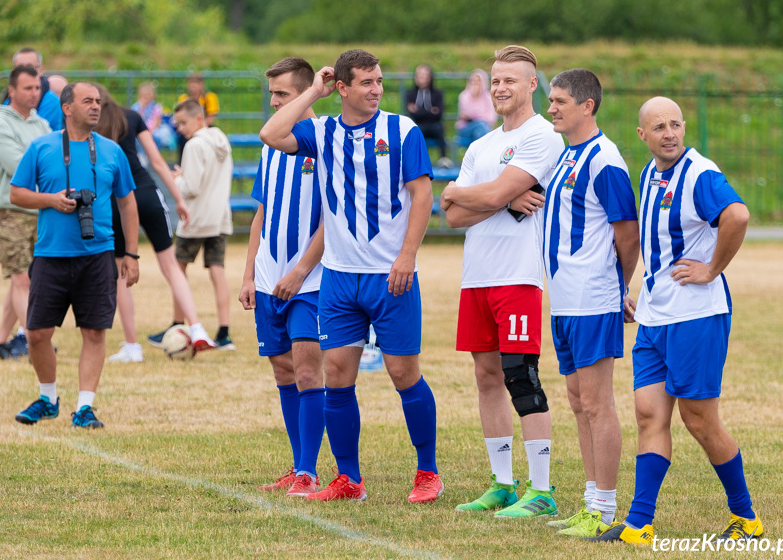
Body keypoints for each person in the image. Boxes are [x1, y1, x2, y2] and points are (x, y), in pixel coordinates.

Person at [260, 49, 443, 504]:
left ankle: (427, 471)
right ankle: (349, 480)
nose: (376, 90)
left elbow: (422, 195)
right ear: (341, 88)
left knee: (404, 373)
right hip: (339, 279)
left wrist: (406, 256)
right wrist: (313, 92)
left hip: (390, 276)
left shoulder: (402, 130)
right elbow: (270, 132)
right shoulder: (321, 132)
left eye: (379, 81)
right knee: (338, 376)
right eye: (365, 82)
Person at [588, 97, 759, 545]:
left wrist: (712, 268)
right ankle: (639, 524)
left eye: (675, 124)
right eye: (659, 127)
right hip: (654, 314)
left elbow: (736, 215)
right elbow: (654, 242)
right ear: (642, 136)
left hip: (696, 316)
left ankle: (747, 519)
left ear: (684, 128)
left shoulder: (699, 172)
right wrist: (636, 289)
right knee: (648, 415)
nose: (669, 133)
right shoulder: (648, 174)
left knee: (700, 421)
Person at [439, 45, 564, 518]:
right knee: (486, 376)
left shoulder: (543, 136)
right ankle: (503, 485)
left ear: (533, 85)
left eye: (510, 79)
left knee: (520, 376)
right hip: (478, 276)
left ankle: (543, 491)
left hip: (518, 275)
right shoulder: (480, 145)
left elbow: (472, 195)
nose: (500, 87)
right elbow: (451, 217)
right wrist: (501, 199)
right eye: (495, 80)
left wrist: (462, 191)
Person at [538, 69, 639, 537]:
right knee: (578, 401)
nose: (551, 107)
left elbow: (627, 233)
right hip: (563, 301)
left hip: (591, 298)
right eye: (551, 100)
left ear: (587, 106)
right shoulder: (567, 156)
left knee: (598, 403)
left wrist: (617, 287)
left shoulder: (606, 159)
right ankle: (589, 500)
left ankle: (603, 508)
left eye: (559, 101)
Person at [9, 81, 139, 429]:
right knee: (36, 333)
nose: (96, 106)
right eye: (87, 101)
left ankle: (85, 407)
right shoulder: (42, 147)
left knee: (95, 332)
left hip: (98, 254)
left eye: (98, 101)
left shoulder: (112, 151)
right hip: (51, 254)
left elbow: (127, 203)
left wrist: (132, 254)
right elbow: (17, 194)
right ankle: (47, 398)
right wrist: (51, 200)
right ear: (67, 108)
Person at [239, 57, 327, 496]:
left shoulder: (327, 139)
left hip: (310, 279)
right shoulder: (268, 146)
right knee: (282, 370)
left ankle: (310, 471)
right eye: (271, 94)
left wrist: (301, 269)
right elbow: (261, 212)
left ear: (307, 93)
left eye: (283, 94)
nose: (274, 101)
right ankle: (298, 466)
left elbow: (335, 219)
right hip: (268, 276)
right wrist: (248, 272)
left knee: (310, 370)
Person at [92, 85, 214, 361]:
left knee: (122, 272)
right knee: (171, 266)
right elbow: (158, 162)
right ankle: (196, 328)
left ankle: (132, 346)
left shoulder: (90, 123)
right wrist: (178, 200)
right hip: (146, 192)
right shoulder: (131, 116)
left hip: (114, 199)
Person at [0, 65, 51, 360]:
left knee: (22, 279)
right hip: (10, 208)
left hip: (38, 207)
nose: (34, 93)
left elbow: (52, 158)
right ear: (11, 90)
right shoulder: (0, 123)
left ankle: (1, 342)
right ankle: (31, 338)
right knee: (22, 278)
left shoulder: (40, 123)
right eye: (28, 88)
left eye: (37, 88)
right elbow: (19, 166)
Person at [156, 99, 233, 351]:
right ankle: (224, 333)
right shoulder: (221, 139)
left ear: (199, 119)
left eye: (183, 122)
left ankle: (177, 324)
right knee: (217, 272)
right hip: (220, 217)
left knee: (177, 270)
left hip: (195, 219)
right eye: (177, 123)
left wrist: (176, 179)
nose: (179, 128)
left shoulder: (194, 145)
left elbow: (192, 188)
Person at [2, 47, 63, 131]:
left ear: (41, 71)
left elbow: (31, 133)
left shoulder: (51, 101)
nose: (24, 73)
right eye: (19, 68)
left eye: (30, 67)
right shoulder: (10, 99)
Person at [405, 64, 451, 167]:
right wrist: (431, 111)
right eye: (419, 75)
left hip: (434, 124)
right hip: (419, 125)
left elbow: (439, 113)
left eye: (425, 75)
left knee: (439, 129)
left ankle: (443, 158)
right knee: (416, 131)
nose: (422, 78)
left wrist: (419, 111)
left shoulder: (437, 93)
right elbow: (411, 114)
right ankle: (417, 161)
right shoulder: (410, 94)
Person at [175, 73, 219, 162]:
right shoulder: (184, 98)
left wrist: (199, 130)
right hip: (189, 127)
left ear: (201, 84)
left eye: (196, 83)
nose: (193, 86)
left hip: (204, 127)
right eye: (191, 83)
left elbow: (210, 117)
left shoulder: (209, 97)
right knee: (181, 138)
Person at [456, 69, 497, 146]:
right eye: (473, 81)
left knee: (478, 132)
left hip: (483, 127)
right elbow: (467, 114)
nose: (475, 83)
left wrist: (475, 117)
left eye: (478, 81)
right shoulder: (464, 96)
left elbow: (491, 118)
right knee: (481, 125)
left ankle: (477, 157)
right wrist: (474, 96)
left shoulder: (488, 97)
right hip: (466, 128)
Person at [133, 82, 175, 151]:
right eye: (144, 95)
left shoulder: (156, 107)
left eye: (148, 94)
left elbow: (157, 121)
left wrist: (151, 131)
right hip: (140, 130)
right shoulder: (137, 107)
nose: (147, 97)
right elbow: (136, 119)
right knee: (139, 138)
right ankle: (142, 154)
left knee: (155, 138)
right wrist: (142, 107)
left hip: (153, 131)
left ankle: (154, 153)